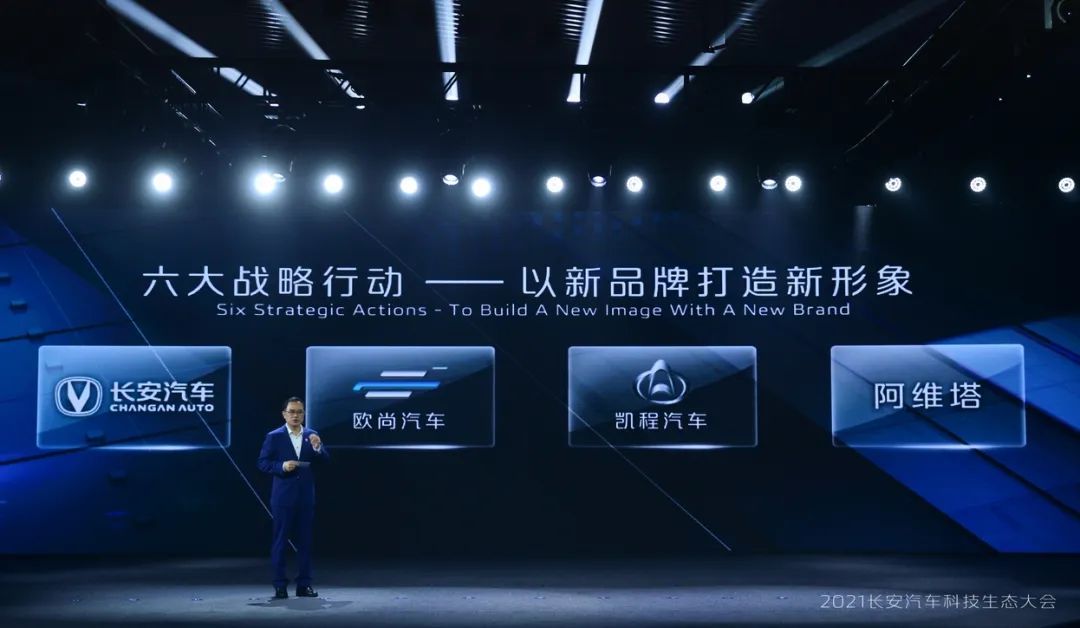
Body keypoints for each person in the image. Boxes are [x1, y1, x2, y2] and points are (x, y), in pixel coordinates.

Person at [257, 396, 330, 599]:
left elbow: (325, 460)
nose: (295, 415)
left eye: (299, 412)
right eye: (291, 411)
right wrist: (281, 466)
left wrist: (318, 448)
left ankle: (304, 585)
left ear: (304, 414)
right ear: (284, 414)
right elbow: (262, 462)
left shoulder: (312, 435)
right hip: (283, 497)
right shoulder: (274, 436)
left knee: (305, 542)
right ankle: (280, 585)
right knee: (280, 541)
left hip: (306, 496)